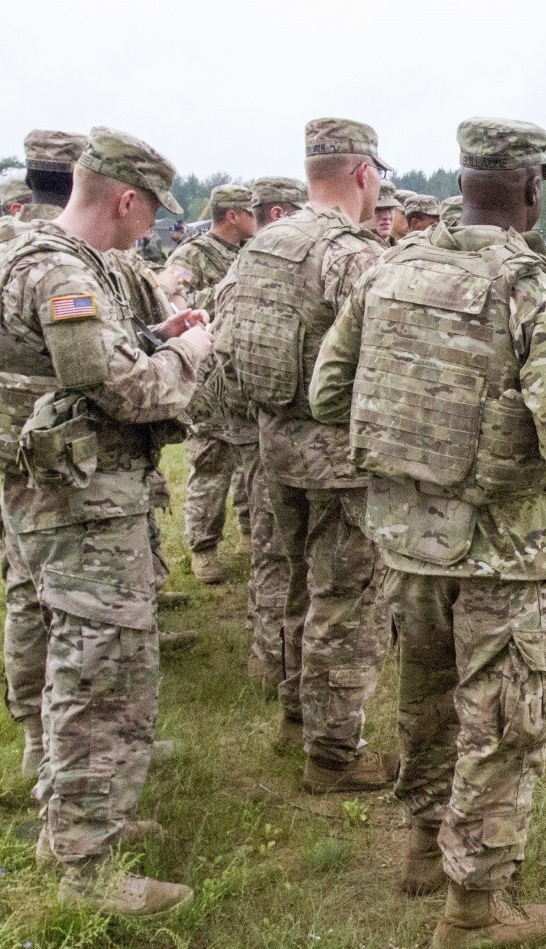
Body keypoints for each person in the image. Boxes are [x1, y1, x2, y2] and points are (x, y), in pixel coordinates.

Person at [310, 116, 546, 949]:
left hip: (405, 538)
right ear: (530, 188)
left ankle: (420, 846)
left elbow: (331, 394)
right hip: (501, 549)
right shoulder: (532, 292)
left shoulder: (390, 272)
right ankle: (475, 905)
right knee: (508, 715)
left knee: (427, 697)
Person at [0, 127, 210, 915]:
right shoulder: (58, 273)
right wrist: (192, 354)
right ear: (126, 199)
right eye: (151, 213)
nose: (153, 228)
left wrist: (153, 338)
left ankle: (75, 823)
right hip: (80, 512)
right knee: (98, 677)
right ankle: (87, 868)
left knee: (80, 665)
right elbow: (126, 393)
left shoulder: (54, 259)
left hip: (64, 503)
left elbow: (82, 367)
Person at [220, 118, 395, 789]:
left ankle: (296, 710)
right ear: (362, 174)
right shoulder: (349, 253)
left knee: (295, 583)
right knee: (345, 602)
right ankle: (333, 752)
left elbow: (229, 332)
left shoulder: (266, 244)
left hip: (274, 445)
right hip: (337, 457)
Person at [0, 129, 86, 782]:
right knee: (61, 596)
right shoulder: (58, 248)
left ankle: (34, 734)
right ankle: (56, 739)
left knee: (22, 587)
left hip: (0, 437)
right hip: (53, 445)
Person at [199, 175, 307, 696]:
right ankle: (277, 664)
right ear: (282, 213)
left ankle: (268, 659)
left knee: (269, 546)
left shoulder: (242, 268)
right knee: (283, 551)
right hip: (279, 427)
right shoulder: (281, 269)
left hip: (248, 424)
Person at [169, 184, 258, 585]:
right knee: (211, 465)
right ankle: (203, 548)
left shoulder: (246, 253)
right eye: (250, 212)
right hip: (208, 379)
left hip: (240, 375)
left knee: (247, 462)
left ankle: (248, 532)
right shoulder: (192, 254)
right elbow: (171, 303)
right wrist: (228, 296)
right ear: (234, 216)